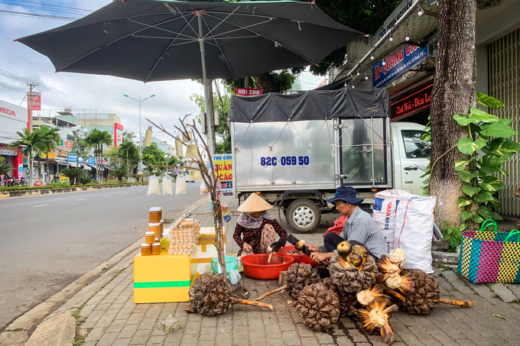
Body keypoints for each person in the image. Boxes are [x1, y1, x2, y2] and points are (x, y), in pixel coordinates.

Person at [308, 186, 386, 262]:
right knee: (330, 237)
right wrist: (319, 249)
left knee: (353, 244)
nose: (337, 208)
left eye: (338, 204)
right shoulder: (350, 218)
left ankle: (338, 265)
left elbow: (352, 247)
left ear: (349, 203)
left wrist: (325, 255)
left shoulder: (361, 219)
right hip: (358, 250)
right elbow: (343, 242)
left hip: (375, 258)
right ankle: (335, 264)